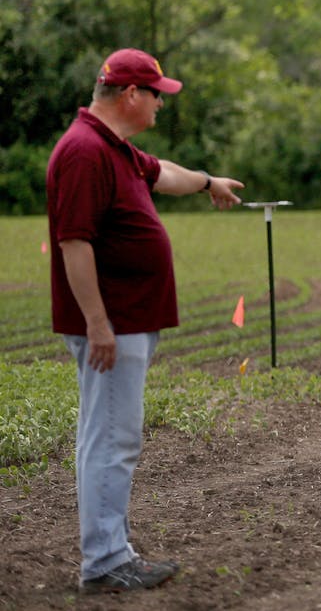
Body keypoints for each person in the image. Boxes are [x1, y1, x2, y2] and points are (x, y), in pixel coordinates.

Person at [46, 48, 245, 594]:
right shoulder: (85, 152)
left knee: (109, 437)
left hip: (126, 318)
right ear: (131, 95)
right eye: (157, 93)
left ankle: (112, 550)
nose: (162, 102)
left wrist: (208, 182)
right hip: (113, 322)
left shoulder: (115, 148)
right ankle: (107, 562)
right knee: (112, 440)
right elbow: (74, 243)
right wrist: (98, 324)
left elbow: (166, 175)